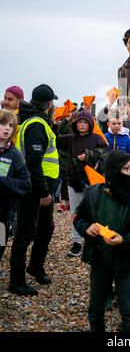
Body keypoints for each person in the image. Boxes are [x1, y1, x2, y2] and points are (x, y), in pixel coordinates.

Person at [73, 151, 130, 332]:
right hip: (100, 260)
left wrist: (124, 240)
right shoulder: (93, 194)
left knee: (128, 311)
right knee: (96, 308)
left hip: (125, 262)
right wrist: (86, 228)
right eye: (126, 169)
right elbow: (78, 217)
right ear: (113, 171)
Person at [9, 84, 59, 296]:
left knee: (46, 228)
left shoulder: (36, 121)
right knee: (24, 234)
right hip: (34, 188)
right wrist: (44, 192)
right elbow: (33, 162)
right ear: (48, 104)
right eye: (52, 102)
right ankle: (17, 281)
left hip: (40, 185)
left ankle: (35, 266)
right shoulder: (37, 124)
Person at [54, 110, 108, 257]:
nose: (82, 125)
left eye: (85, 122)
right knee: (76, 213)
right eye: (80, 122)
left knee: (95, 212)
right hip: (74, 181)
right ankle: (77, 242)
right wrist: (57, 123)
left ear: (90, 124)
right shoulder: (71, 138)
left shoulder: (97, 138)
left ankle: (96, 240)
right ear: (76, 124)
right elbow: (55, 139)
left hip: (93, 182)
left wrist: (89, 155)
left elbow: (105, 152)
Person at [0, 110, 31, 261]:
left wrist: (3, 181)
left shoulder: (15, 154)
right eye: (3, 124)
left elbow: (25, 184)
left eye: (11, 126)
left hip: (3, 215)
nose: (7, 128)